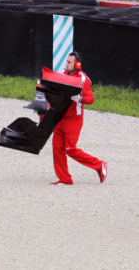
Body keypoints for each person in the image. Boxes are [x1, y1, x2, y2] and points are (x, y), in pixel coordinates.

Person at [51, 51, 107, 185]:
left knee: (70, 149)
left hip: (73, 120)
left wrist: (80, 99)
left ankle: (99, 165)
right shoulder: (63, 74)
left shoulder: (83, 79)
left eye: (69, 62)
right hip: (60, 117)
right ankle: (64, 179)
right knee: (57, 148)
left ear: (77, 64)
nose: (66, 64)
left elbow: (91, 99)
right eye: (66, 61)